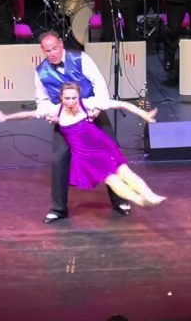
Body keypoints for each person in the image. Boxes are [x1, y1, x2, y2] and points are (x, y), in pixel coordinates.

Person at [0, 82, 166, 207]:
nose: (71, 101)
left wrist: (144, 114)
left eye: (74, 98)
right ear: (61, 97)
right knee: (113, 181)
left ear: (79, 96)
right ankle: (140, 201)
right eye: (67, 98)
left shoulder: (88, 104)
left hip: (102, 148)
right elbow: (29, 114)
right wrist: (6, 117)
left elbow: (120, 104)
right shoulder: (56, 110)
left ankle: (150, 195)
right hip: (86, 158)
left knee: (126, 173)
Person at [30, 31, 133, 223]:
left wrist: (96, 107)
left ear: (61, 44)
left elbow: (99, 84)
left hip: (92, 114)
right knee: (59, 160)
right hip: (66, 121)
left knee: (110, 153)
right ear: (42, 50)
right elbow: (42, 101)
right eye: (48, 50)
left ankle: (120, 200)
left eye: (55, 48)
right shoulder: (41, 72)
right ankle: (58, 208)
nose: (52, 53)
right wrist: (51, 114)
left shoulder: (81, 59)